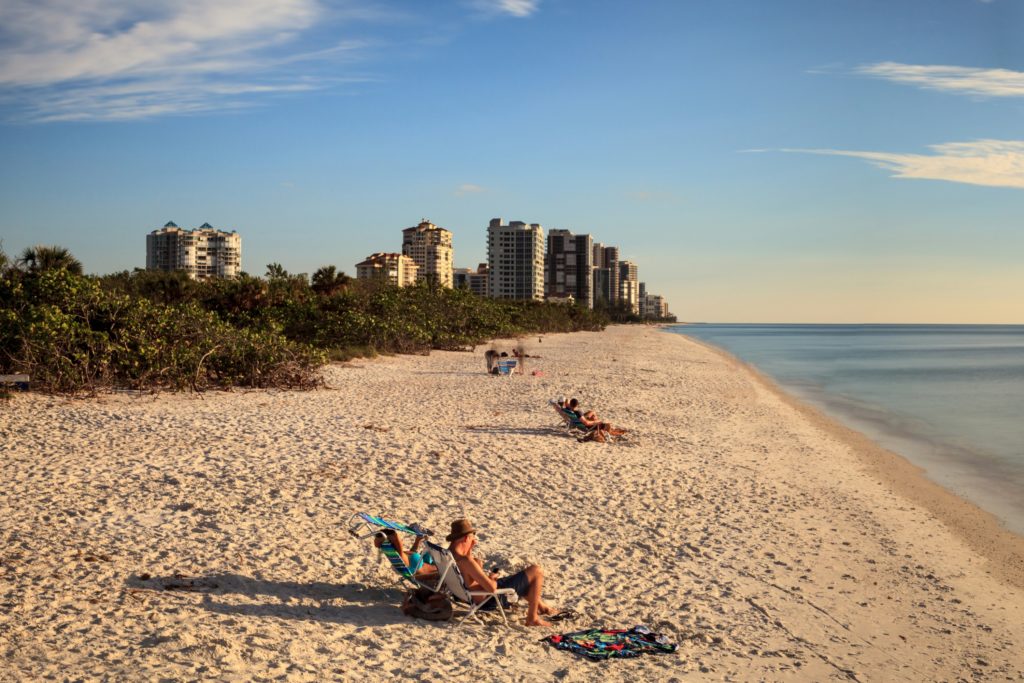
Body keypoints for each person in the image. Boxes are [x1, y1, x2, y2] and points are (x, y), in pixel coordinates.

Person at [446, 518, 557, 627]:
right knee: (536, 571)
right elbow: (492, 588)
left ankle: (542, 606)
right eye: (472, 537)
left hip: (467, 595)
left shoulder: (447, 554)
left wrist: (470, 552)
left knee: (524, 580)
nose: (473, 540)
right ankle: (532, 618)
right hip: (489, 599)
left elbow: (468, 578)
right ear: (466, 538)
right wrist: (492, 578)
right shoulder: (466, 561)